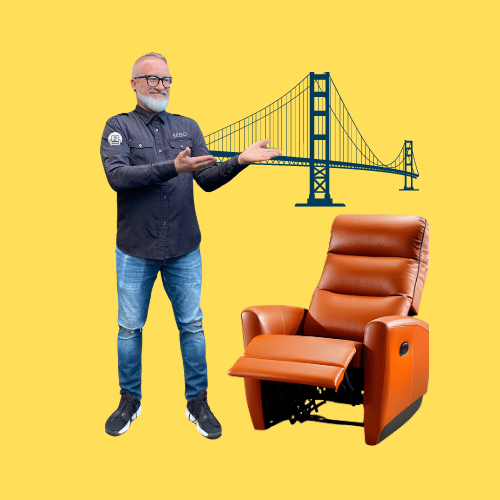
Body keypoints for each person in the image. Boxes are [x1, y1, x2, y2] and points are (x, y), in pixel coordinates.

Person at [100, 52, 281, 439]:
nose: (160, 85)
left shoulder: (188, 127)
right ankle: (129, 399)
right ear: (133, 83)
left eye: (166, 79)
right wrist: (172, 168)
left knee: (192, 325)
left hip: (184, 247)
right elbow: (118, 177)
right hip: (136, 250)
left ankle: (197, 401)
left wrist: (240, 160)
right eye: (151, 79)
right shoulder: (118, 127)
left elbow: (208, 180)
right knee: (130, 328)